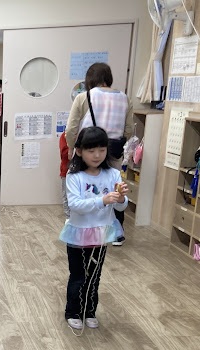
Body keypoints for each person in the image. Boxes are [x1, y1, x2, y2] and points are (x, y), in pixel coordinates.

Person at [59, 127, 128, 330]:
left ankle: (90, 311)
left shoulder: (113, 174)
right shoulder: (74, 176)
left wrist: (121, 198)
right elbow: (75, 205)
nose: (97, 155)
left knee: (95, 275)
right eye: (91, 150)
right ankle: (73, 312)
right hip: (78, 233)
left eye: (101, 150)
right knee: (78, 275)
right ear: (80, 151)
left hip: (102, 232)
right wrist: (103, 200)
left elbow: (120, 207)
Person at [65, 62, 132, 246]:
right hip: (113, 152)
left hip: (86, 150)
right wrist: (113, 145)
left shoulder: (84, 97)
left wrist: (72, 147)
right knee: (115, 190)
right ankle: (116, 233)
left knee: (85, 188)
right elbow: (128, 129)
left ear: (89, 79)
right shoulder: (125, 98)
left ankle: (84, 228)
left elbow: (71, 128)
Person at [59, 130, 70, 218]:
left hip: (85, 171)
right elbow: (64, 154)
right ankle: (68, 218)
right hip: (67, 171)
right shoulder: (65, 135)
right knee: (66, 196)